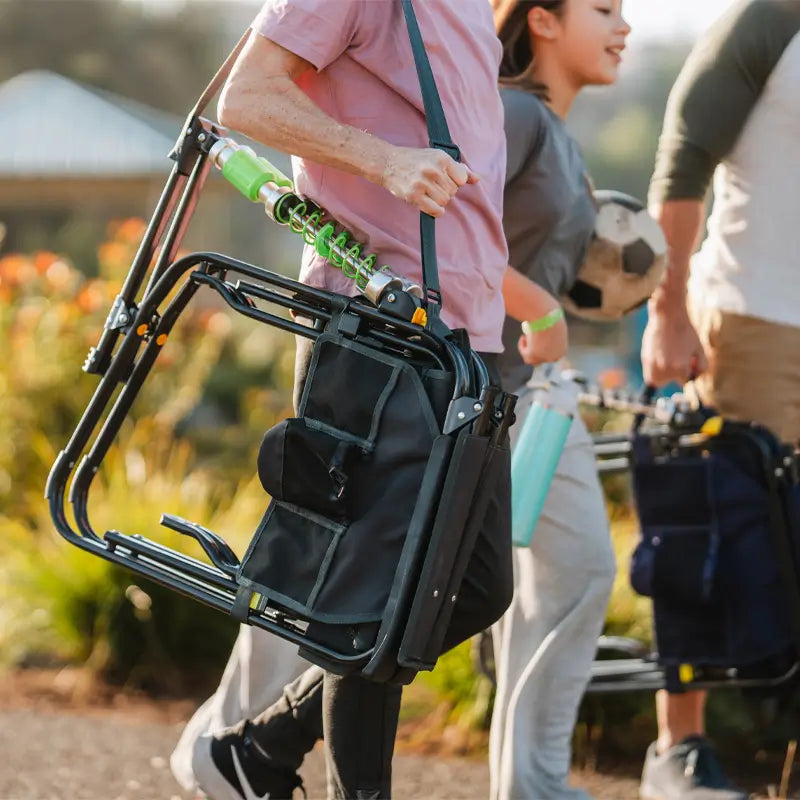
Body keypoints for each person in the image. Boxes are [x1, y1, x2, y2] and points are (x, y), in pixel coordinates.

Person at [172, 2, 568, 798]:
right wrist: (383, 160)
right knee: (378, 591)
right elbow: (245, 100)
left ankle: (260, 749)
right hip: (377, 328)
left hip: (463, 341)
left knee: (478, 585)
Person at [639, 1, 800, 798]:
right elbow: (683, 157)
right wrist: (665, 311)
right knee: (711, 528)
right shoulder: (769, 18)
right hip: (751, 315)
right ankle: (679, 748)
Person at [486, 2, 628, 799]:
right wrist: (538, 309)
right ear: (541, 19)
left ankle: (532, 786)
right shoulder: (511, 114)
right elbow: (448, 235)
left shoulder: (560, 138)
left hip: (534, 391)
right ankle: (232, 741)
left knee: (573, 573)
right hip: (480, 391)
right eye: (604, 9)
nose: (624, 27)